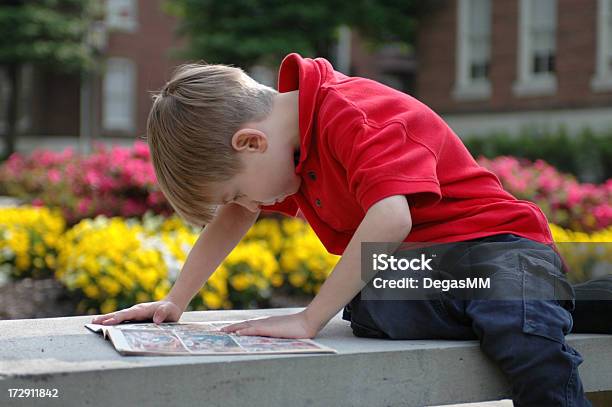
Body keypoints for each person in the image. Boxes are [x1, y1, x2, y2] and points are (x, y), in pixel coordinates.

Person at [92, 53, 597, 406]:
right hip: (432, 271)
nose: (251, 205)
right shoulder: (285, 149)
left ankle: (538, 302)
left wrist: (310, 319)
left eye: (237, 191)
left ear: (250, 142)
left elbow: (391, 216)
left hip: (500, 250)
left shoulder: (350, 114)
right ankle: (546, 302)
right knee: (367, 304)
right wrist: (175, 301)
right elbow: (234, 217)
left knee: (522, 330)